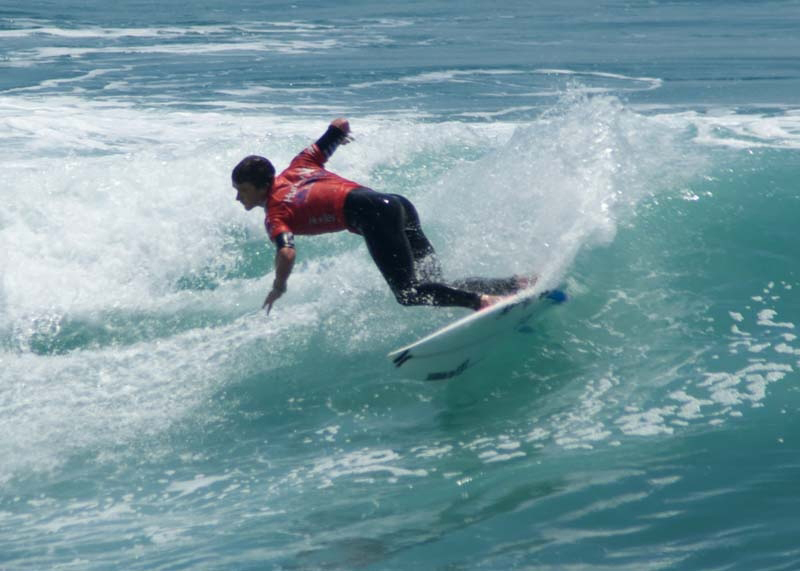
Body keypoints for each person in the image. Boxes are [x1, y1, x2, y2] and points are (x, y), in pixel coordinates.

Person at [231, 118, 532, 314]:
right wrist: (340, 136)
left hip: (372, 214)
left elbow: (286, 252)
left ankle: (483, 302)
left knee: (408, 293)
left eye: (242, 190)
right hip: (398, 205)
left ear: (261, 187)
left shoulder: (275, 212)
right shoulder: (301, 164)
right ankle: (516, 284)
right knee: (436, 282)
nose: (238, 197)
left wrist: (279, 286)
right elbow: (339, 125)